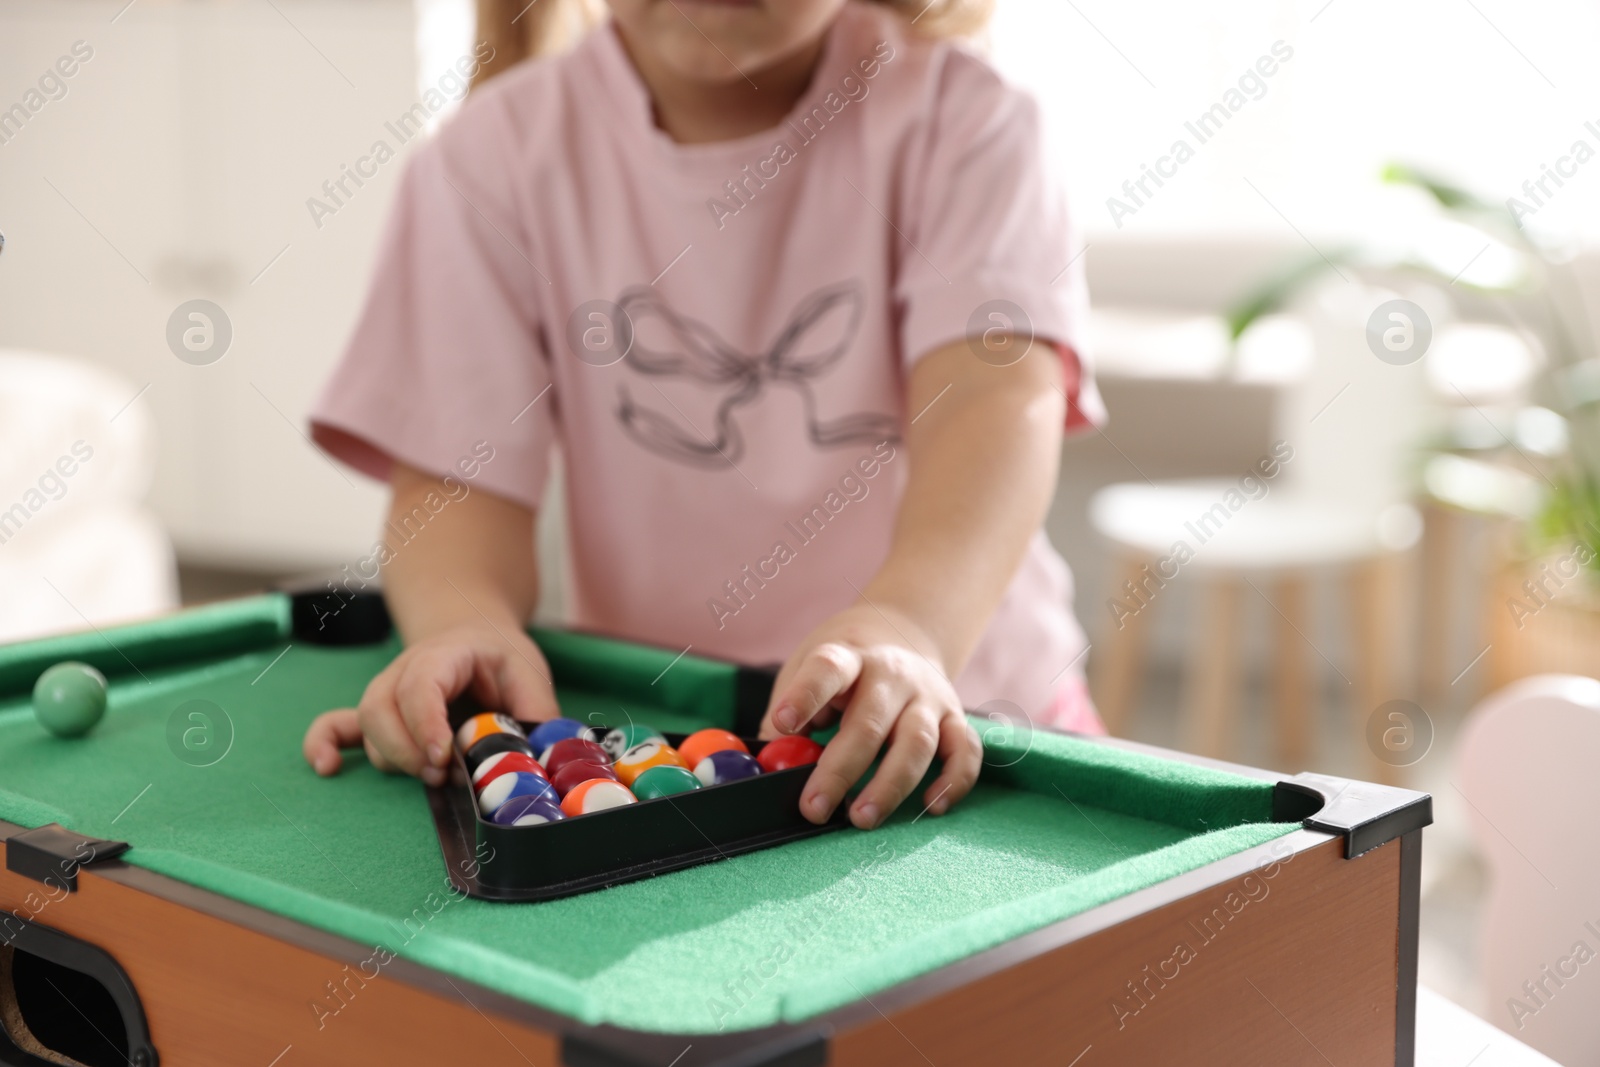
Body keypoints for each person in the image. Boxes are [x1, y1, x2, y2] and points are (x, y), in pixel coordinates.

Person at [301, 0, 1106, 831]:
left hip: (971, 723)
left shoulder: (967, 122)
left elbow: (993, 400)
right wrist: (461, 619)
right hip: (674, 756)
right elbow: (456, 481)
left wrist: (910, 625)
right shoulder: (485, 161)